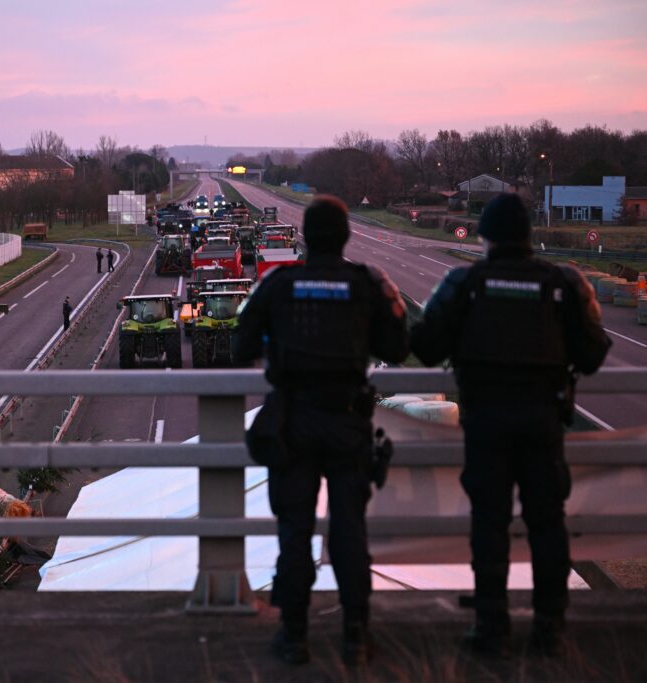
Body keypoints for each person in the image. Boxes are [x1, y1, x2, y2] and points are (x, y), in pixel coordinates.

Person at [410, 193, 611, 658]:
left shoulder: (465, 282)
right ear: (528, 236)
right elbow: (592, 355)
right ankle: (550, 628)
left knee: (489, 526)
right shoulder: (561, 283)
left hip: (485, 424)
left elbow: (425, 347)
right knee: (548, 526)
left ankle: (491, 627)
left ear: (484, 237)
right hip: (543, 423)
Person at [233, 195, 409, 666]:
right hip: (349, 423)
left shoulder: (280, 284)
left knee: (294, 533)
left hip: (293, 423)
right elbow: (398, 346)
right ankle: (356, 637)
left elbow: (240, 345)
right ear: (346, 236)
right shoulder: (364, 284)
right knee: (350, 532)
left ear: (305, 237)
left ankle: (294, 637)